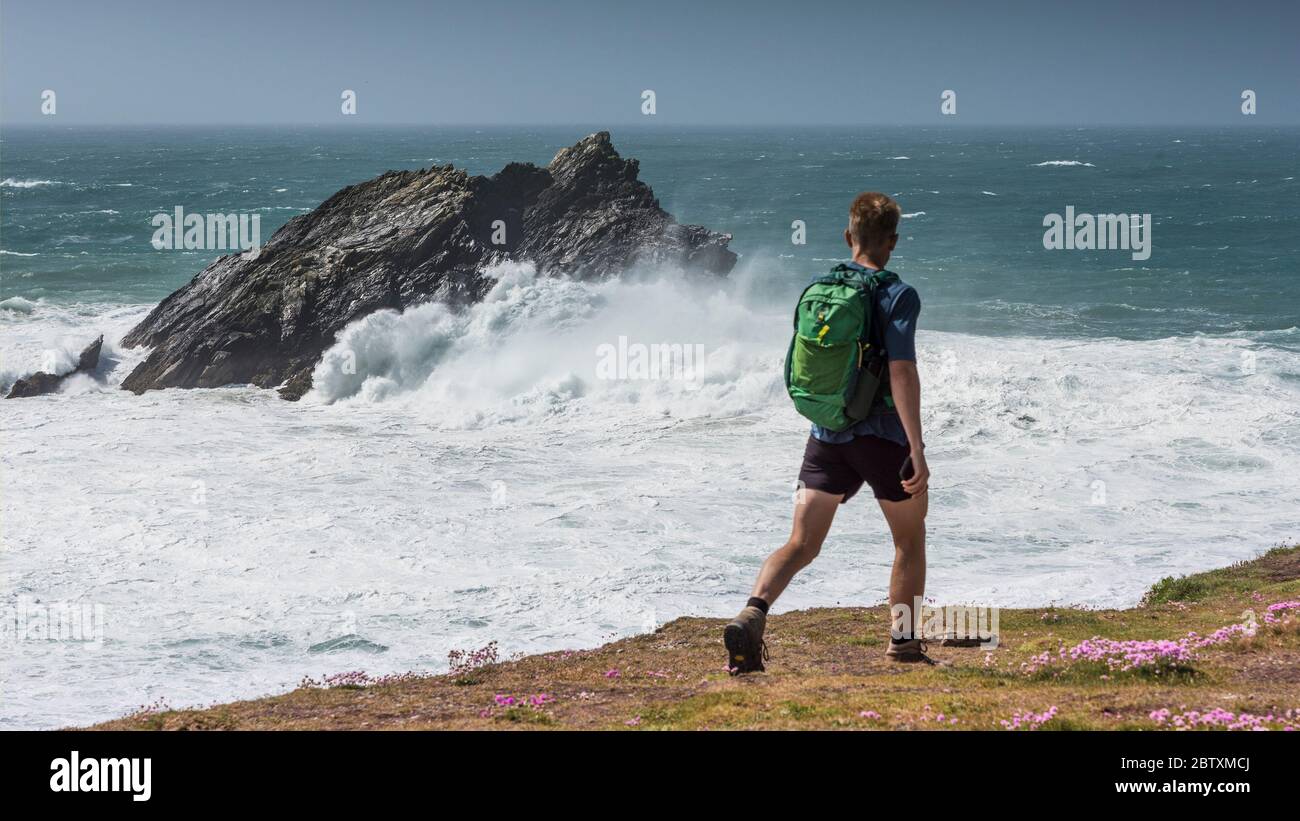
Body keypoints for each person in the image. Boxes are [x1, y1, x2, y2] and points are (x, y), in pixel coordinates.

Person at [724, 191, 935, 672]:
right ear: (893, 242)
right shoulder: (896, 294)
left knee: (801, 543)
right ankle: (903, 644)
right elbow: (901, 370)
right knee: (908, 541)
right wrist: (916, 447)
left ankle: (751, 614)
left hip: (826, 434)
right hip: (882, 438)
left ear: (848, 237)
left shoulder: (821, 288)